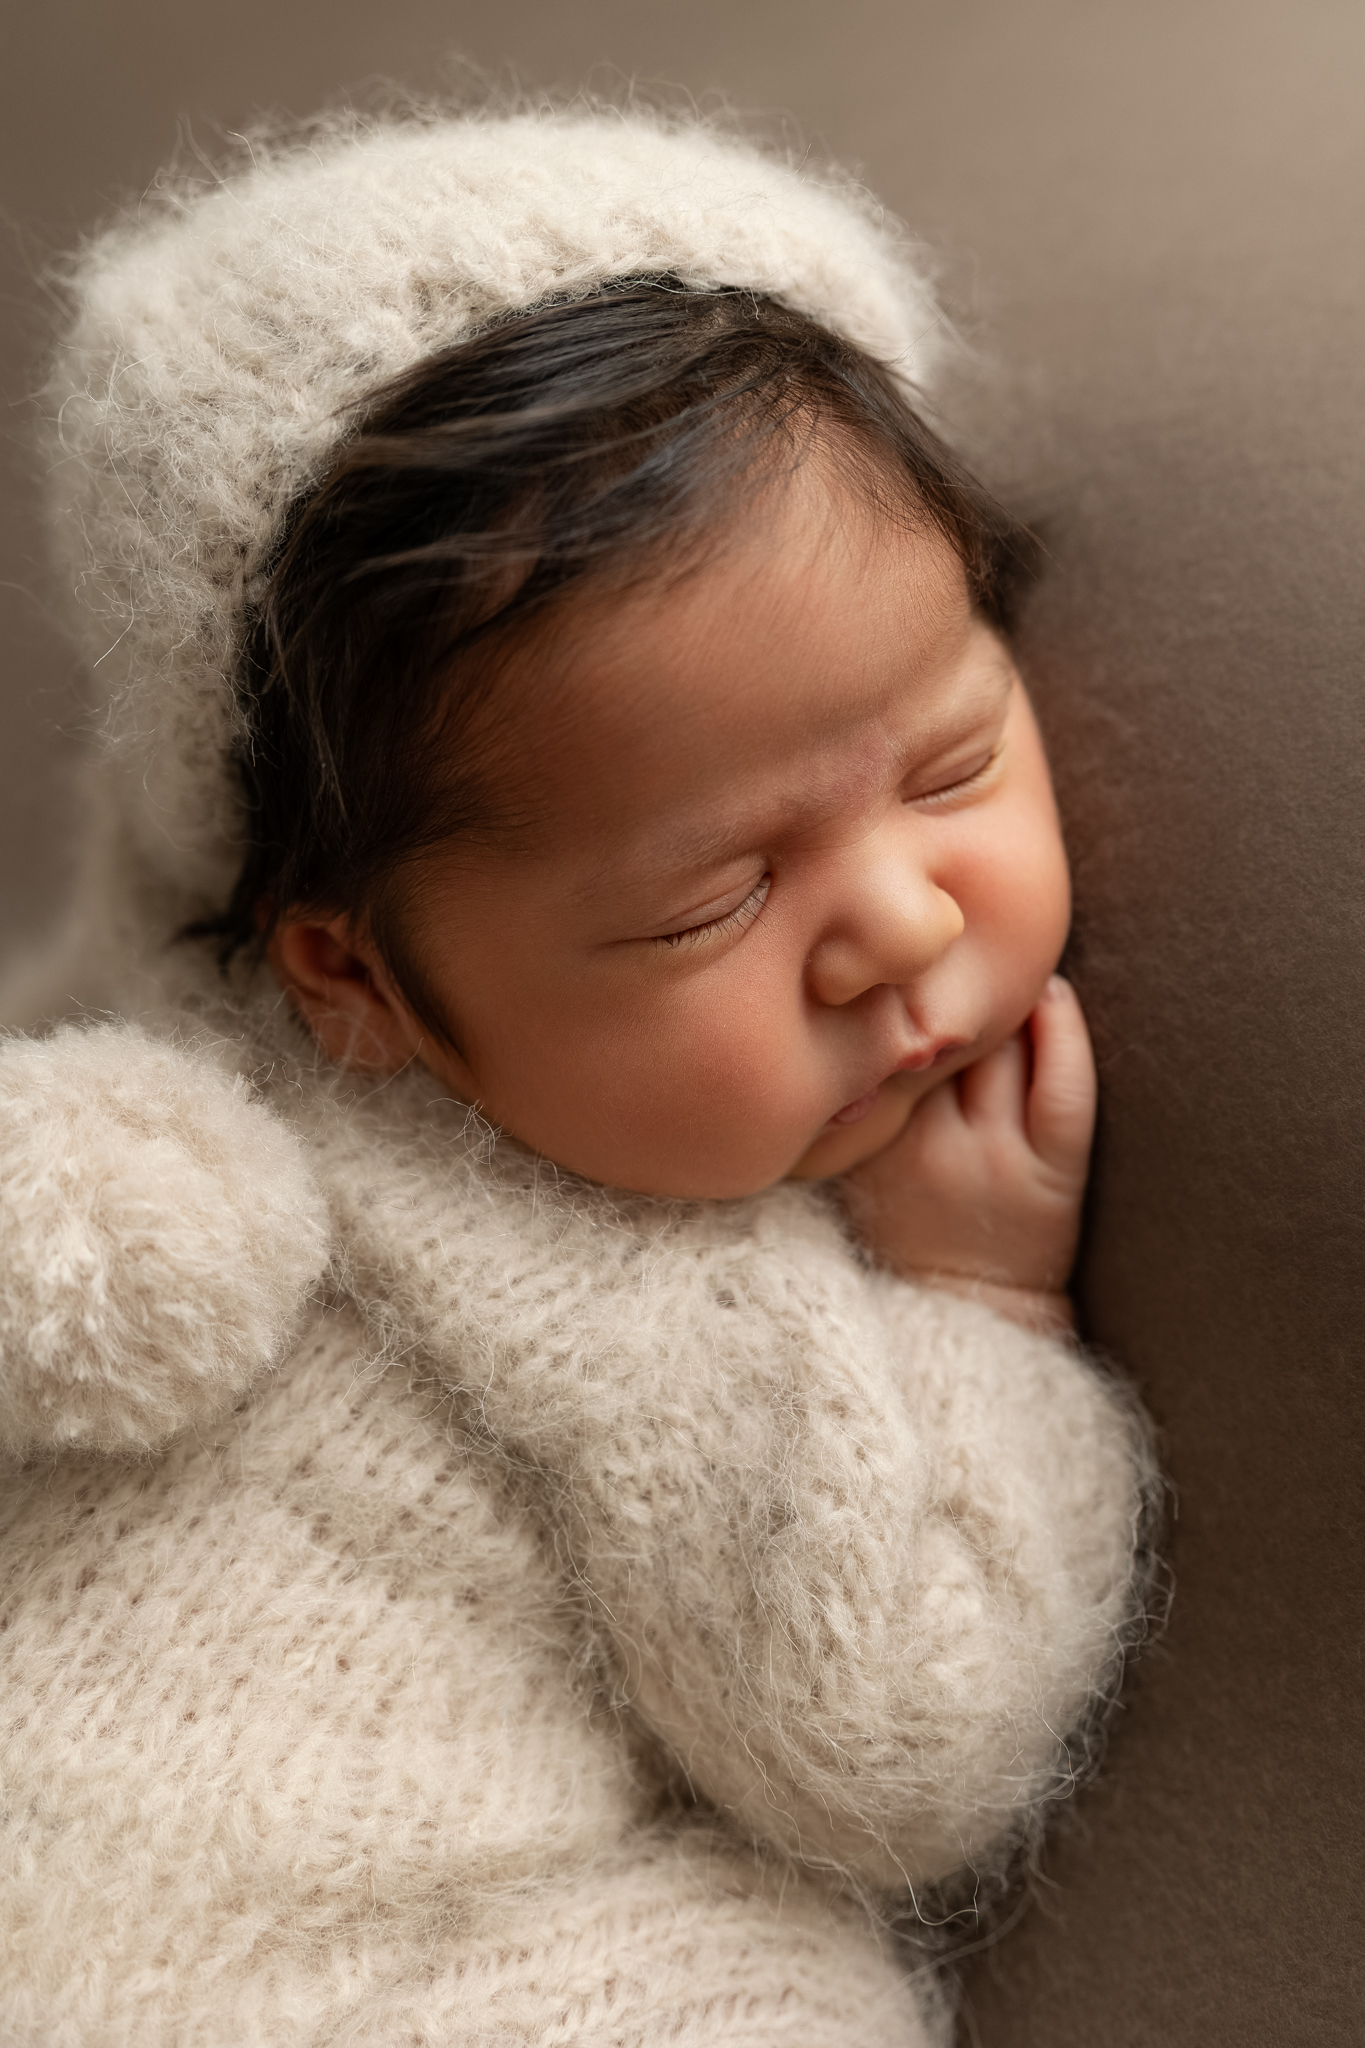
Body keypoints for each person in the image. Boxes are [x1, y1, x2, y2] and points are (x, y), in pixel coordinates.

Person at [0, 103, 1154, 2045]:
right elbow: (886, 1729)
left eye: (948, 760)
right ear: (348, 975)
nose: (892, 920)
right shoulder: (634, 1284)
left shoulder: (155, 1003)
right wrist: (971, 1312)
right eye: (712, 900)